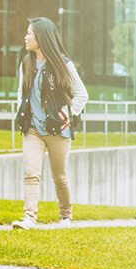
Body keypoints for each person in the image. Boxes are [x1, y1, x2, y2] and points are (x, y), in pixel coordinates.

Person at [11, 18, 88, 230]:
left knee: (59, 176)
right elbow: (21, 92)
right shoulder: (26, 64)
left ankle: (65, 217)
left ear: (41, 37)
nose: (25, 38)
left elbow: (82, 95)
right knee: (31, 172)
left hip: (58, 130)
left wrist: (68, 115)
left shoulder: (63, 64)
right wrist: (23, 112)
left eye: (29, 34)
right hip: (33, 129)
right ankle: (29, 218)